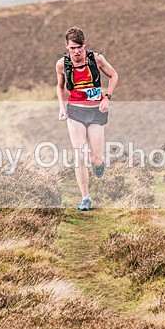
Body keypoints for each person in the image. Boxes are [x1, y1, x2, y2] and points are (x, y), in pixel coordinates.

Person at [56, 26, 119, 211]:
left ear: (84, 44)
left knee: (95, 159)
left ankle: (99, 164)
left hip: (95, 112)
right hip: (75, 113)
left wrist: (107, 97)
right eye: (72, 48)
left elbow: (114, 75)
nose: (76, 52)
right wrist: (61, 107)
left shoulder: (96, 59)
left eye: (79, 48)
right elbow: (60, 87)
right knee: (80, 155)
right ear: (67, 46)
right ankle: (85, 197)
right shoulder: (62, 64)